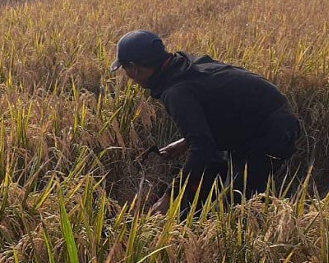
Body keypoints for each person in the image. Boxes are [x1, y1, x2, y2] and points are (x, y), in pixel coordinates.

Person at [111, 30, 299, 214]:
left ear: (134, 68)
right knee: (214, 183)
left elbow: (203, 149)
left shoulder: (176, 91)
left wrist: (172, 196)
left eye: (125, 69)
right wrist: (186, 142)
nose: (129, 77)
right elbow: (219, 104)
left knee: (235, 205)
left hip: (272, 130)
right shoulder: (183, 65)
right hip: (259, 121)